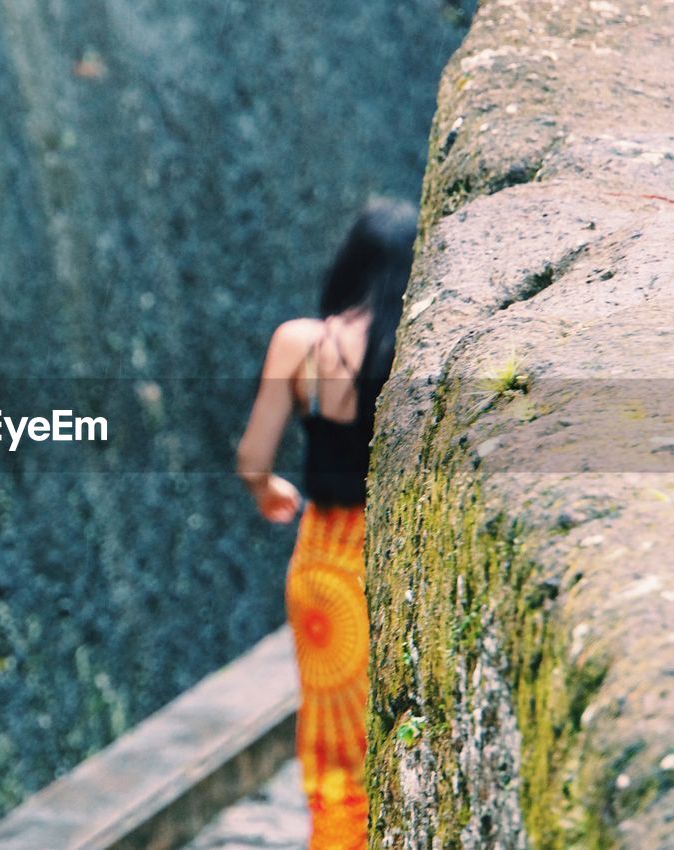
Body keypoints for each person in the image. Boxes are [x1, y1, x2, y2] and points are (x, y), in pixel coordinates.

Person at [235, 197, 417, 850]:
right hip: (383, 566)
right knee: (386, 733)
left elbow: (253, 458)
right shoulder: (407, 352)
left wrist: (268, 490)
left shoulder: (299, 341)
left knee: (331, 743)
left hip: (319, 565)